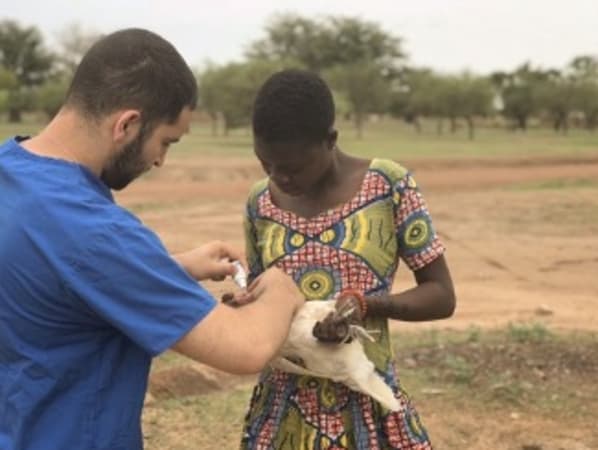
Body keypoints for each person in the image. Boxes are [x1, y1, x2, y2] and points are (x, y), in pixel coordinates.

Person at [0, 29, 304, 450]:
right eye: (166, 142)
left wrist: (169, 268)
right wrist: (282, 289)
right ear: (127, 124)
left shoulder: (11, 171)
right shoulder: (96, 232)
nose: (161, 160)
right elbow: (246, 347)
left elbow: (45, 280)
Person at [239, 69, 456, 449]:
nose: (279, 178)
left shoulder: (388, 186)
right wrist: (244, 303)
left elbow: (440, 294)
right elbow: (263, 302)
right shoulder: (260, 203)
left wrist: (365, 306)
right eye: (266, 164)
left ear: (330, 140)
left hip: (367, 408)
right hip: (280, 417)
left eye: (292, 167)